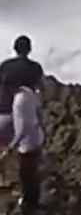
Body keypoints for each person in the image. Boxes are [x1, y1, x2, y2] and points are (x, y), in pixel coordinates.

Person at [1, 77, 44, 212]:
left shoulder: (19, 103)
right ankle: (30, 200)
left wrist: (11, 147)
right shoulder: (27, 92)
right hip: (35, 137)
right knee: (30, 174)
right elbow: (38, 111)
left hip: (28, 143)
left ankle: (28, 204)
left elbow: (23, 128)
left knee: (27, 174)